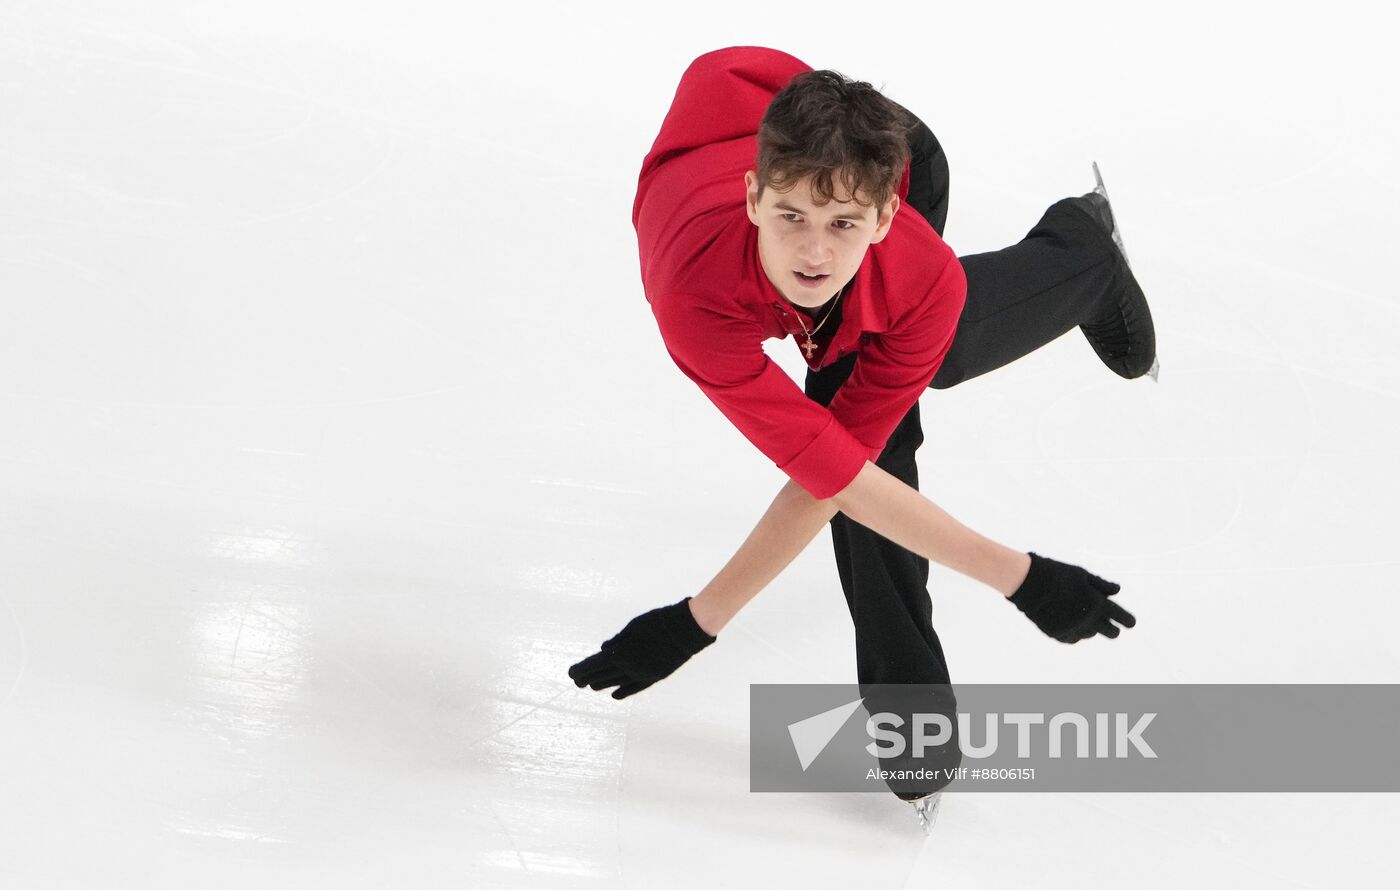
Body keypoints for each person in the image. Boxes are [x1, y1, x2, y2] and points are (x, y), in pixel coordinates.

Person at [568, 46, 1148, 802]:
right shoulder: (695, 293)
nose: (813, 251)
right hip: (779, 151)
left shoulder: (912, 265)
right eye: (790, 219)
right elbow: (829, 469)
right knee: (861, 449)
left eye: (842, 225)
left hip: (881, 154)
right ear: (752, 198)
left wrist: (700, 617)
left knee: (918, 383)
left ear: (882, 220)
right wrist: (696, 622)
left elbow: (844, 472)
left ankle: (1083, 253)